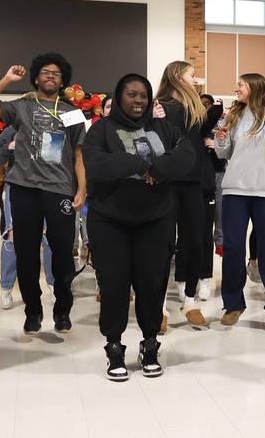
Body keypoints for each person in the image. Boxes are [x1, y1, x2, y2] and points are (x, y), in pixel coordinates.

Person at [84, 73, 194, 381]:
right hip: (110, 221)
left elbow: (187, 154)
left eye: (143, 95)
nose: (138, 100)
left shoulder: (164, 128)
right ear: (119, 97)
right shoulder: (102, 130)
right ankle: (114, 346)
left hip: (155, 220)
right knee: (115, 285)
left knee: (151, 284)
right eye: (131, 95)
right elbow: (96, 165)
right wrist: (138, 164)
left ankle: (149, 344)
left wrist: (158, 169)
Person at [0, 54, 86, 335]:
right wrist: (6, 79)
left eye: (57, 74)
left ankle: (62, 310)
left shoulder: (73, 112)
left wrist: (82, 188)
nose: (51, 76)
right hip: (23, 189)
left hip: (59, 189)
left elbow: (77, 153)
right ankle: (33, 311)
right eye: (45, 72)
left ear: (63, 81)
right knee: (26, 254)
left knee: (62, 253)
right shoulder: (23, 106)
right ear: (36, 77)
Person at [214, 73, 265, 327]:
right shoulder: (233, 114)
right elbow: (223, 152)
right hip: (235, 189)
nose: (236, 88)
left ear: (255, 87)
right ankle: (233, 304)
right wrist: (221, 137)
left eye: (241, 85)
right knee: (233, 247)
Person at [156, 61, 222, 329]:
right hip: (167, 182)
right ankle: (158, 306)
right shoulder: (160, 105)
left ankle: (190, 300)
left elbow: (202, 132)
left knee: (195, 241)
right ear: (176, 76)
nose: (196, 80)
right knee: (163, 245)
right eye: (192, 75)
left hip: (194, 183)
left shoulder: (195, 107)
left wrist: (215, 110)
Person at [0, 126, 56, 310]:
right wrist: (9, 147)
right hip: (17, 186)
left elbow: (60, 158)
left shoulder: (49, 125)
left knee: (48, 236)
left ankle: (53, 285)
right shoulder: (11, 130)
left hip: (47, 185)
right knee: (12, 236)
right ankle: (6, 287)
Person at [199, 93, 224, 300]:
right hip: (196, 179)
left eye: (208, 105)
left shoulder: (220, 124)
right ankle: (191, 278)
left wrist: (215, 145)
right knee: (199, 230)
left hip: (217, 174)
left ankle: (207, 276)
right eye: (202, 104)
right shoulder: (196, 125)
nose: (205, 108)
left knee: (219, 220)